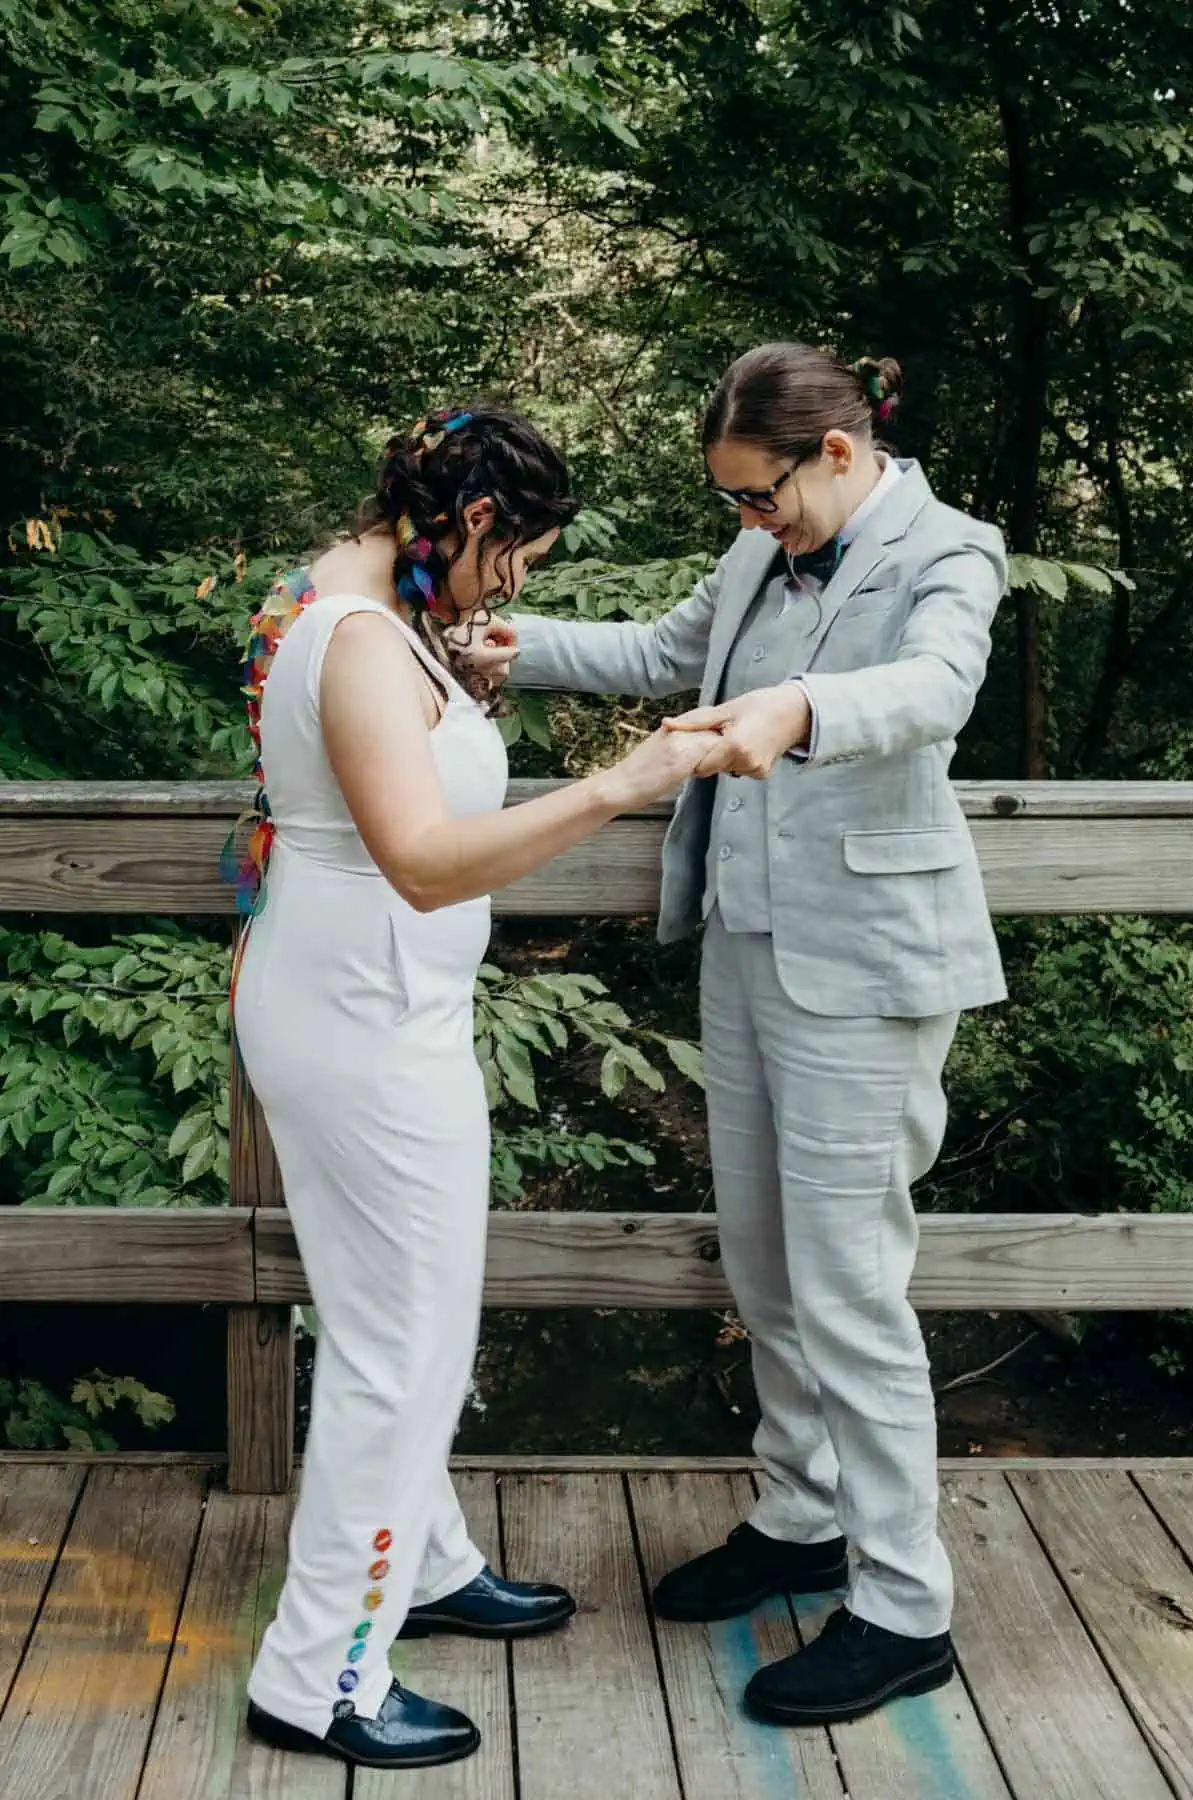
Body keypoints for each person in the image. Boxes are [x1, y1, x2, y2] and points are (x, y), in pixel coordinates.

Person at [474, 345, 1008, 1728]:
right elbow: (661, 655)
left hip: (870, 968)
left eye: (761, 499)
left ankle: (902, 1606)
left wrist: (803, 708)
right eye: (733, 507)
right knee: (766, 1264)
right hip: (744, 948)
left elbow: (939, 689)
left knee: (850, 1286)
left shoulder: (951, 552)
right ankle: (802, 1513)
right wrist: (504, 646)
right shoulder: (762, 552)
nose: (750, 527)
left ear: (836, 454)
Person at [228, 404, 722, 1773]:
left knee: (408, 1321)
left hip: (366, 1003)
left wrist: (464, 667)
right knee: (402, 1353)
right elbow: (428, 862)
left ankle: (425, 1562)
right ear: (480, 522)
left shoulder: (349, 590)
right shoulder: (361, 642)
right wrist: (625, 782)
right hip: (366, 1021)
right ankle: (318, 1671)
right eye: (523, 559)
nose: (521, 587)